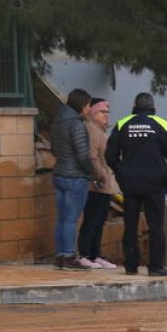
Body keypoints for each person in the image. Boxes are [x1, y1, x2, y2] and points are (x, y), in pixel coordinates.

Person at [106, 93, 167, 277]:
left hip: (130, 183)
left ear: (134, 106)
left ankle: (131, 266)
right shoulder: (163, 125)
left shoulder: (123, 124)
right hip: (156, 183)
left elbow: (110, 155)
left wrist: (121, 173)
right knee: (156, 225)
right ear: (153, 107)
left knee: (130, 225)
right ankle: (156, 266)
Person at [50, 88, 94, 270]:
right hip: (74, 176)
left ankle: (60, 255)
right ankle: (69, 255)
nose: (89, 109)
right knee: (71, 219)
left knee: (62, 218)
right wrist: (90, 172)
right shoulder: (76, 124)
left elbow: (53, 150)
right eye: (88, 105)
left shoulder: (58, 121)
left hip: (59, 173)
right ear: (82, 105)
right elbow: (83, 154)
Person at [76, 97, 119, 269]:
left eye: (107, 112)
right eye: (102, 112)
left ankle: (95, 254)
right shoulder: (92, 130)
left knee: (100, 220)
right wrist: (99, 175)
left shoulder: (101, 131)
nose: (106, 116)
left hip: (105, 183)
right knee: (91, 220)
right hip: (96, 184)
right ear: (93, 112)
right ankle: (85, 254)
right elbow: (91, 155)